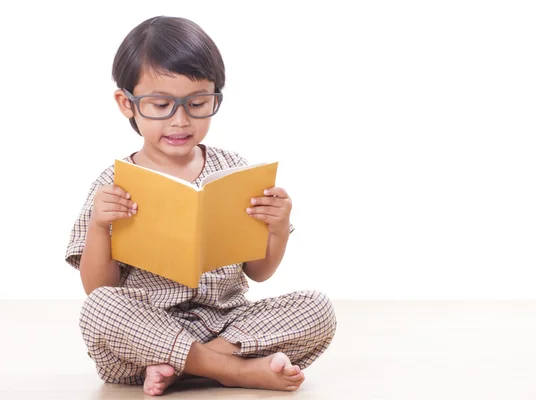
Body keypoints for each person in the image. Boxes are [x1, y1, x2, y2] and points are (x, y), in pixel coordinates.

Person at [64, 15, 336, 397]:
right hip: (144, 338)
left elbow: (259, 272)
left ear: (215, 98)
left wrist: (277, 228)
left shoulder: (234, 172)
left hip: (227, 327)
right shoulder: (113, 185)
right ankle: (233, 372)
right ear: (127, 104)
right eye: (160, 104)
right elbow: (98, 289)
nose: (180, 120)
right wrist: (98, 226)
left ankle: (190, 365)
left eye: (197, 103)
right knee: (102, 309)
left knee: (317, 308)